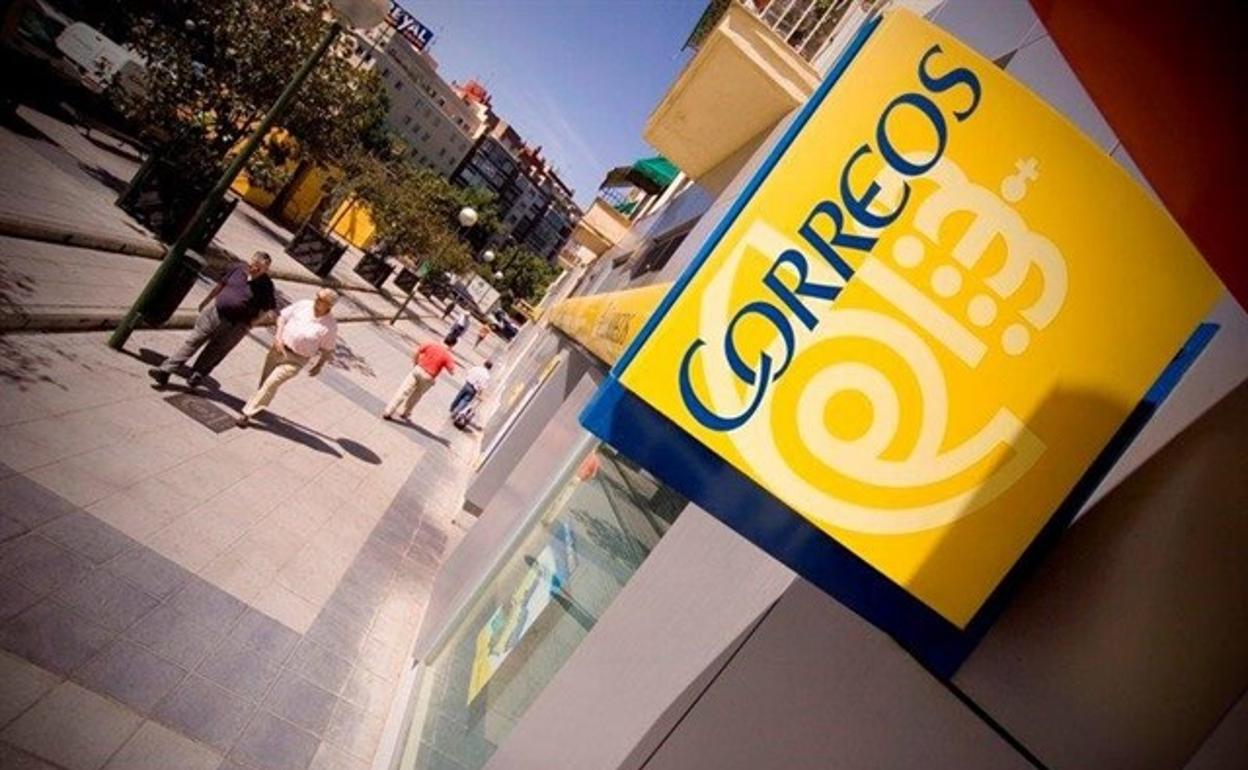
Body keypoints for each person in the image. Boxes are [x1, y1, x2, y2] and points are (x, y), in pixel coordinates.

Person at [148, 251, 276, 387]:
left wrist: (251, 324)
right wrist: (207, 300)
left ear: (265, 270)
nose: (255, 269)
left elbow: (268, 309)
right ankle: (165, 371)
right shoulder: (237, 268)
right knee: (193, 342)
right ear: (251, 261)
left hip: (236, 325)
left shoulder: (266, 285)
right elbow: (221, 285)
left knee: (215, 351)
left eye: (260, 268)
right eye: (254, 265)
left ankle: (196, 375)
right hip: (214, 313)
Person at [235, 289, 338, 428]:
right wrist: (278, 337)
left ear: (329, 305)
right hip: (279, 348)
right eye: (317, 296)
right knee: (265, 381)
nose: (316, 299)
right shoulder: (304, 305)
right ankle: (259, 403)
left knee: (272, 382)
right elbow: (282, 317)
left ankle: (246, 414)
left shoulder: (330, 326)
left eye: (320, 299)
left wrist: (319, 365)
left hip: (296, 360)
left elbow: (328, 349)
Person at [383, 335, 456, 421]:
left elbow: (418, 351)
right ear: (452, 345)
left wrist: (415, 363)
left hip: (418, 369)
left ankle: (389, 411)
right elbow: (452, 372)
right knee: (416, 395)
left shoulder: (431, 344)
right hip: (428, 377)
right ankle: (405, 413)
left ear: (444, 339)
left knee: (403, 391)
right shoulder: (447, 356)